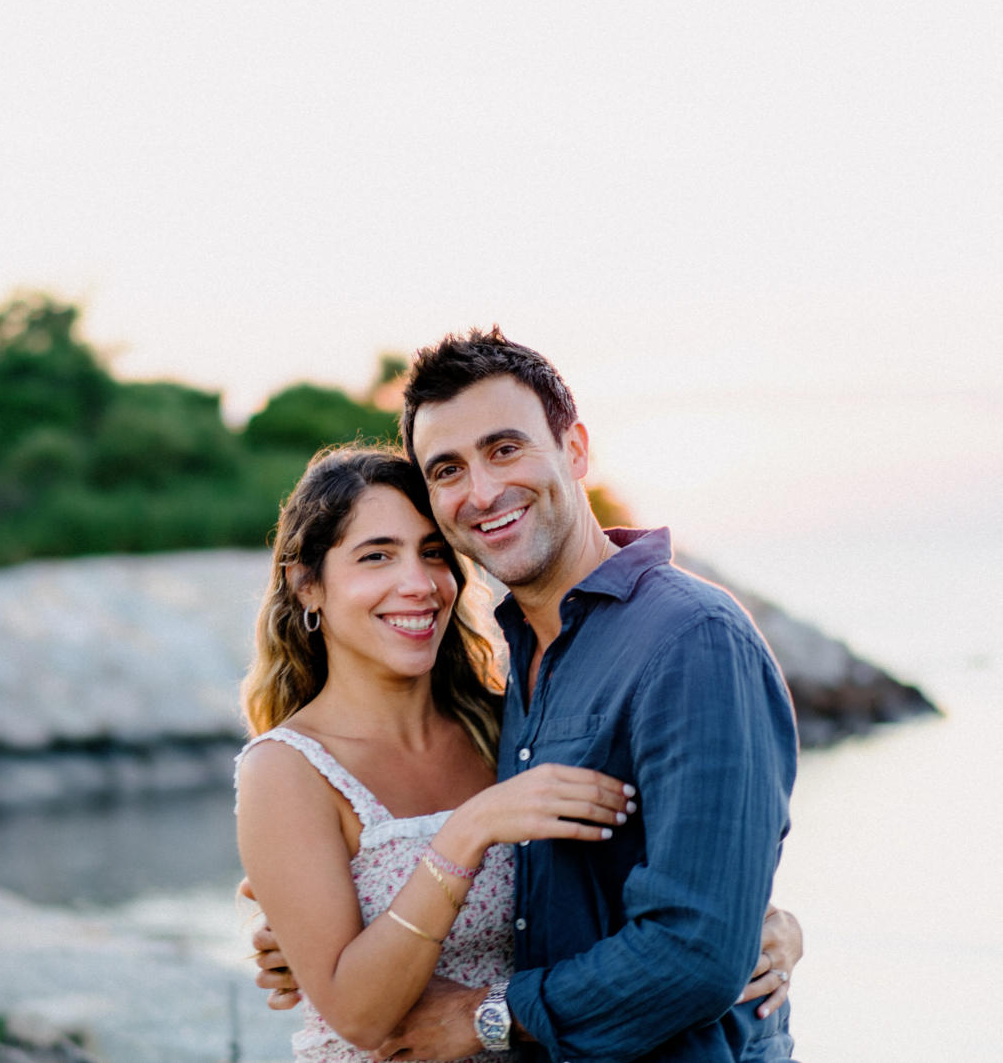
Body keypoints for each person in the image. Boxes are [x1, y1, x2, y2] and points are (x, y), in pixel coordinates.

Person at [250, 328, 799, 1061]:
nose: (481, 491)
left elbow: (699, 940)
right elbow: (554, 892)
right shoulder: (511, 683)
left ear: (574, 449)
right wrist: (302, 932)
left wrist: (489, 1016)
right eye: (447, 468)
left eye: (504, 448)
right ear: (308, 583)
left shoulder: (688, 635)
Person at [236, 445, 636, 1060]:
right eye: (377, 557)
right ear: (307, 585)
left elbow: (644, 873)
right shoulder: (287, 769)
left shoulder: (513, 724)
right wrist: (468, 829)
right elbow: (359, 1017)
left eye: (433, 554)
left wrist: (766, 928)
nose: (418, 585)